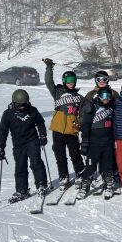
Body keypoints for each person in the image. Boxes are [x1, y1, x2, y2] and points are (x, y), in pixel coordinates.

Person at [0, 89, 48, 203]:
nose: (23, 107)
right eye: (20, 105)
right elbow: (3, 131)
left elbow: (40, 123)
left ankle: (41, 185)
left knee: (36, 162)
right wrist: (1, 147)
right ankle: (22, 190)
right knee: (20, 167)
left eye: (25, 104)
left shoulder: (32, 111)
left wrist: (43, 135)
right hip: (18, 144)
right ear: (14, 103)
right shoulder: (8, 114)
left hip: (32, 141)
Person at [43, 58, 85, 187]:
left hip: (72, 129)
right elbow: (48, 81)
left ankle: (80, 173)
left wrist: (80, 123)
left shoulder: (79, 97)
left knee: (75, 154)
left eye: (73, 81)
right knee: (60, 155)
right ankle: (63, 176)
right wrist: (49, 67)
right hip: (57, 129)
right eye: (68, 81)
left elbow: (83, 113)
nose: (71, 83)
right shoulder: (57, 92)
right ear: (64, 81)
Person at [78, 87, 116, 199]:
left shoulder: (112, 107)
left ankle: (109, 185)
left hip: (108, 142)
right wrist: (84, 143)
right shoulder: (92, 107)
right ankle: (85, 186)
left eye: (108, 97)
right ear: (99, 96)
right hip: (94, 143)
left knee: (107, 166)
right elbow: (85, 126)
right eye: (104, 96)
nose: (106, 99)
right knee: (90, 167)